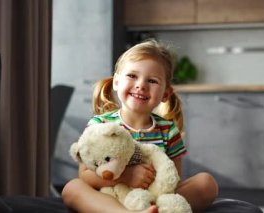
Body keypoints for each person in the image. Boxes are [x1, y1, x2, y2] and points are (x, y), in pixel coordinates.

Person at [61, 39, 219, 213]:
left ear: (165, 94)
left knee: (206, 183)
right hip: (112, 198)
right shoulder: (100, 125)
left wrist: (150, 186)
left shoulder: (168, 131)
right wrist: (126, 177)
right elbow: (85, 175)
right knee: (72, 188)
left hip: (153, 198)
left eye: (152, 81)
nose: (141, 85)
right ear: (116, 82)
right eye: (132, 76)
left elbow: (173, 179)